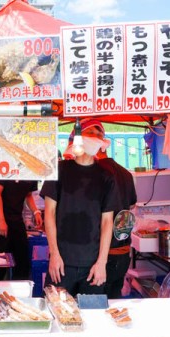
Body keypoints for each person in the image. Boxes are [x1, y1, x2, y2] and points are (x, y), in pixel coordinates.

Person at [40, 121, 121, 297]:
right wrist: (54, 254)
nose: (96, 137)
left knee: (93, 318)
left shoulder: (107, 177)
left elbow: (108, 222)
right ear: (78, 138)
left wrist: (102, 262)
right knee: (55, 313)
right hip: (61, 263)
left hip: (93, 265)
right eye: (91, 132)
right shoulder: (59, 170)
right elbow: (49, 213)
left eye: (99, 135)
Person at [84, 120, 138, 299]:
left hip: (98, 257)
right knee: (113, 305)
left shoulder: (93, 173)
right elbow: (130, 207)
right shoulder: (125, 174)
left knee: (92, 307)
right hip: (122, 254)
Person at [0, 180, 43, 280]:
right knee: (0, 261)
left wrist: (36, 212)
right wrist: (1, 219)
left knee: (22, 260)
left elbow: (28, 195)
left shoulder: (31, 173)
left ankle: (19, 291)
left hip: (16, 219)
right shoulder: (8, 166)